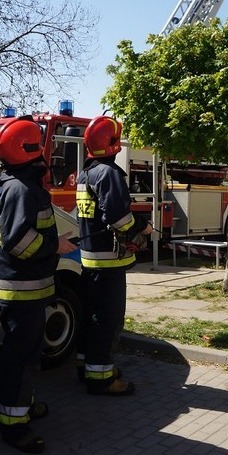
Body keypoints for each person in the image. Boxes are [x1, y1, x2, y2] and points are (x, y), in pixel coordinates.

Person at [0, 117, 77, 453]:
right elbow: (18, 242)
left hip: (29, 288)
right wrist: (57, 246)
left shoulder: (17, 184)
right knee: (21, 357)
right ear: (29, 148)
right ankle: (13, 425)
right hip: (21, 290)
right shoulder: (20, 189)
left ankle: (23, 405)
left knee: (30, 354)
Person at [75, 115, 153, 396]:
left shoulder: (86, 173)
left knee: (91, 317)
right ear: (114, 144)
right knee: (107, 320)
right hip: (109, 262)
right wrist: (144, 227)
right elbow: (119, 219)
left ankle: (86, 367)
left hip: (90, 260)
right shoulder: (108, 173)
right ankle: (102, 378)